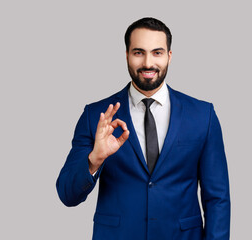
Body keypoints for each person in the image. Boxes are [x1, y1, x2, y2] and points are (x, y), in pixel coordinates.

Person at [56, 17, 230, 240]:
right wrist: (94, 160)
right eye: (139, 52)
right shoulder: (96, 116)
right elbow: (66, 195)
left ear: (169, 56)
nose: (148, 63)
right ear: (127, 55)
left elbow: (218, 199)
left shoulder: (202, 115)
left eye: (157, 52)